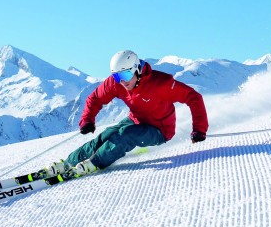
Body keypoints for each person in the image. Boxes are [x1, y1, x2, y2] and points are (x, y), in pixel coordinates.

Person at [39, 50, 209, 180]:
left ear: (137, 70)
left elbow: (193, 97)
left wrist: (199, 130)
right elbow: (96, 98)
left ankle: (94, 163)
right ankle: (69, 163)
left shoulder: (160, 83)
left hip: (160, 129)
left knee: (125, 136)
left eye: (126, 74)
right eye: (117, 76)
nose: (122, 81)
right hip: (135, 120)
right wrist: (87, 119)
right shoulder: (117, 83)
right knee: (104, 137)